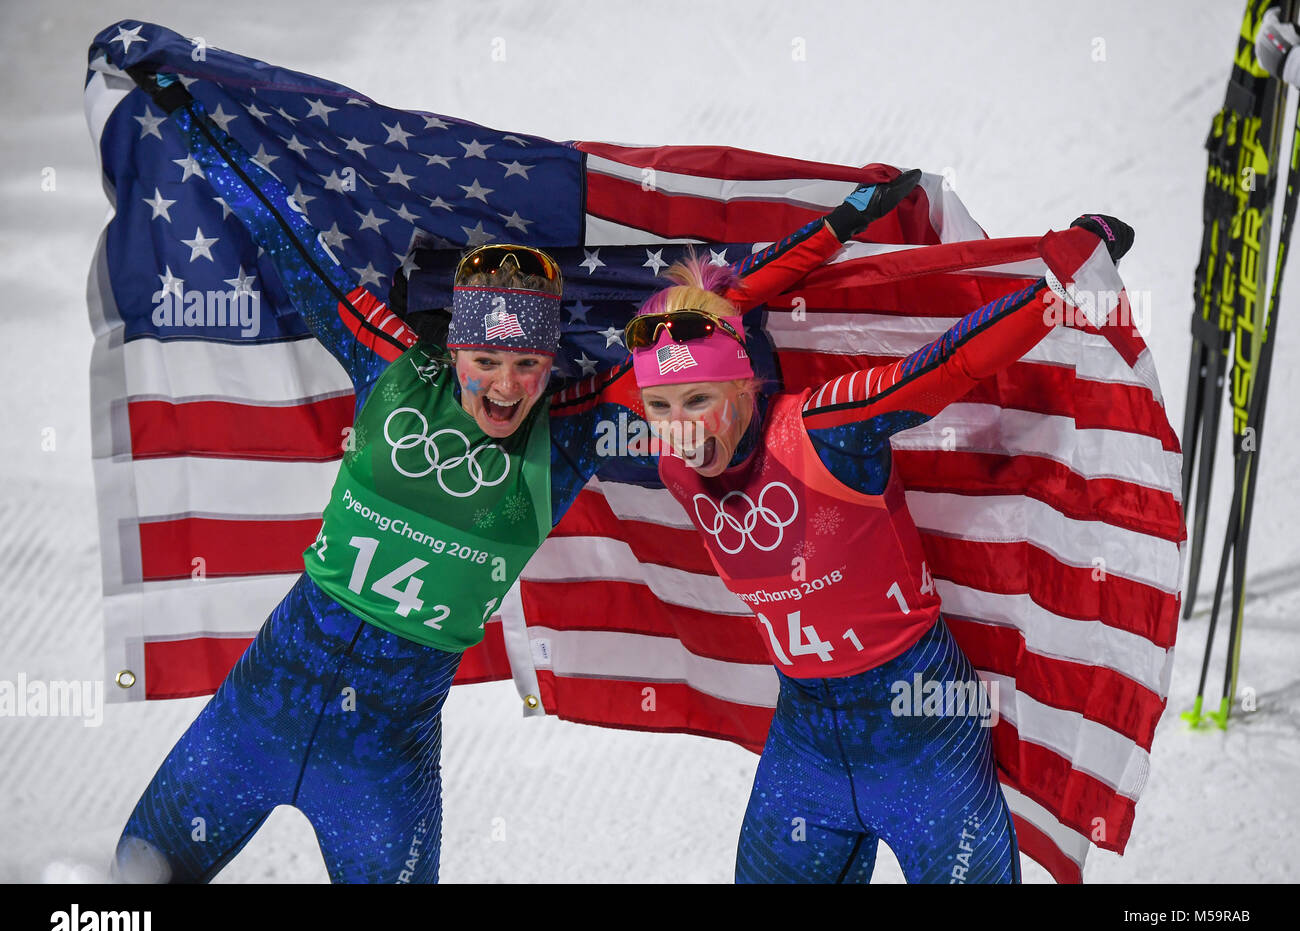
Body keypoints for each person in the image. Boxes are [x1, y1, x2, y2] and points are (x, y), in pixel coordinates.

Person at [112, 71, 648, 883]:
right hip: (253, 722)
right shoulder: (391, 364)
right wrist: (189, 111)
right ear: (456, 350)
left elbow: (704, 347)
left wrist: (824, 244)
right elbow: (287, 237)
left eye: (529, 365)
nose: (505, 388)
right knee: (123, 898)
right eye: (487, 361)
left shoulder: (573, 435)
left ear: (553, 362)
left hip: (380, 774)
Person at [622, 204, 1134, 883]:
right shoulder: (670, 464)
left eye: (698, 401)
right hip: (807, 744)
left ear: (745, 382)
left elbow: (942, 369)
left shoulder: (823, 429)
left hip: (922, 733)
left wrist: (1059, 288)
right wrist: (830, 229)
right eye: (661, 406)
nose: (679, 429)